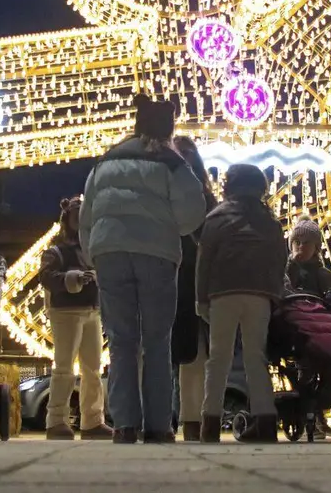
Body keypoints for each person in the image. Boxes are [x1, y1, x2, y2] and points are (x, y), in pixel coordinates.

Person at [81, 95, 207, 444]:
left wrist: (96, 252)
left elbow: (86, 214)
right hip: (156, 253)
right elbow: (193, 210)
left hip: (109, 251)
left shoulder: (106, 159)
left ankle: (124, 425)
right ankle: (158, 425)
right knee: (157, 340)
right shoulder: (169, 160)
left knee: (121, 342)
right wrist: (173, 228)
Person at [195, 164, 288, 444]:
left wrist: (201, 298)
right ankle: (266, 421)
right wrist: (275, 294)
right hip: (259, 294)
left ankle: (209, 425)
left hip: (223, 292)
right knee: (256, 358)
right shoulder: (269, 221)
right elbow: (279, 259)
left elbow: (204, 261)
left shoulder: (216, 217)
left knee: (218, 359)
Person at [40, 196, 111, 441]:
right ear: (67, 220)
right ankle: (56, 420)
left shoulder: (93, 250)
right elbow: (46, 277)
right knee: (63, 367)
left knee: (92, 368)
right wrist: (74, 278)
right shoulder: (56, 251)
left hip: (92, 310)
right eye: (75, 217)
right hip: (66, 312)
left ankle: (92, 421)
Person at [170, 136, 218, 442]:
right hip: (173, 278)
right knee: (172, 355)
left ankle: (191, 421)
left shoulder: (203, 200)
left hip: (190, 282)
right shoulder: (202, 198)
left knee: (193, 358)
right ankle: (161, 420)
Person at [285, 214, 331, 437]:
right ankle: (307, 413)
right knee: (305, 370)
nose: (301, 247)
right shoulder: (287, 270)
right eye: (297, 242)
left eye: (306, 243)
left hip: (321, 325)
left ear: (316, 246)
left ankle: (319, 411)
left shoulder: (322, 273)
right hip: (298, 327)